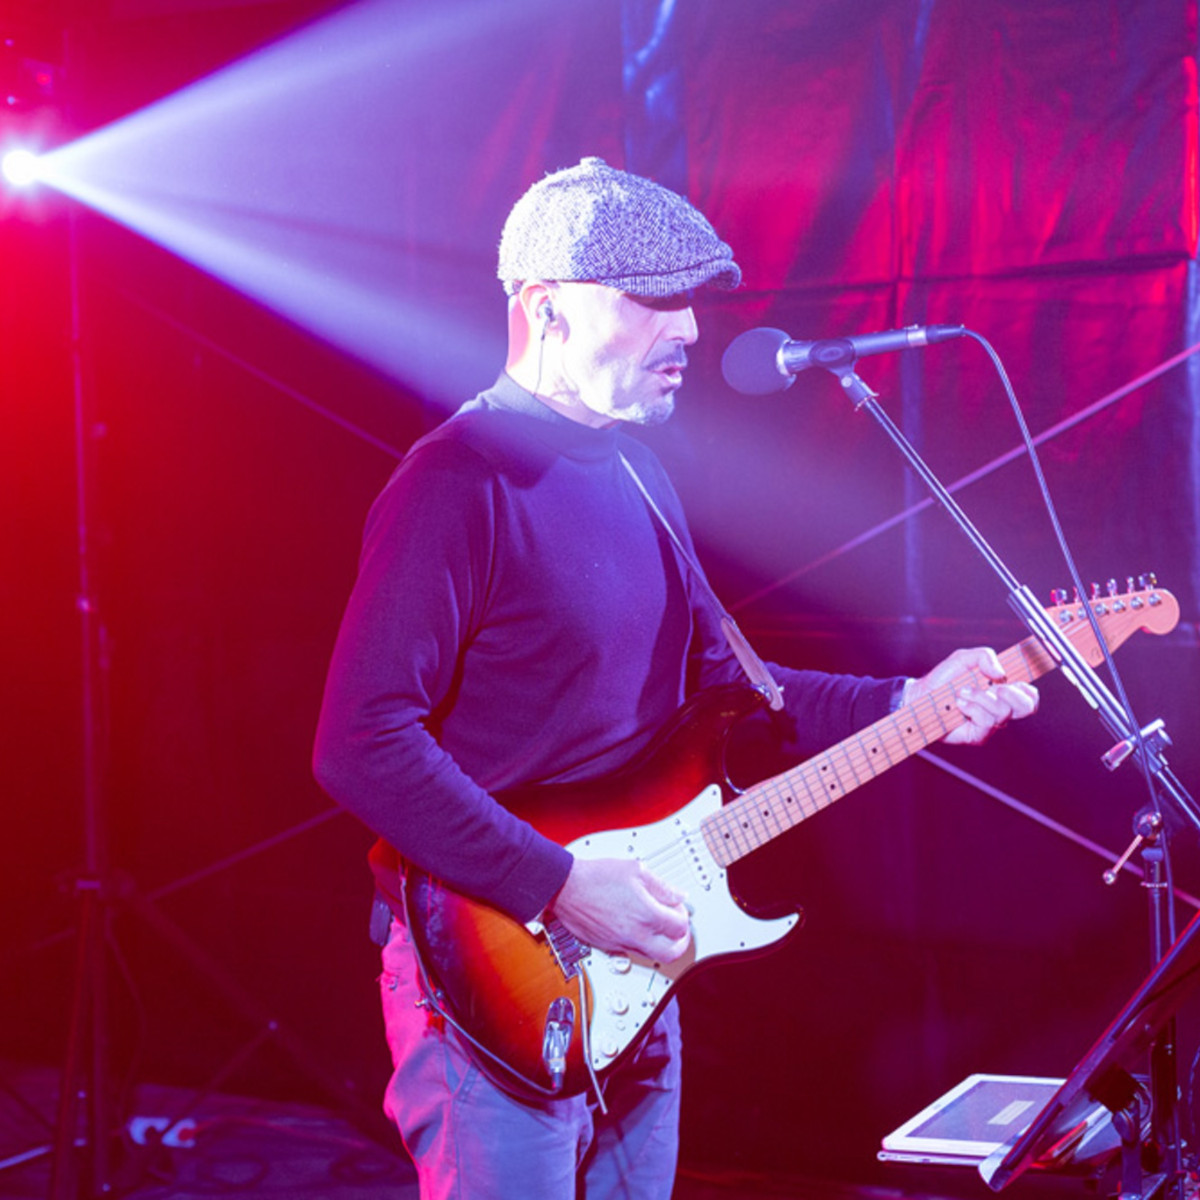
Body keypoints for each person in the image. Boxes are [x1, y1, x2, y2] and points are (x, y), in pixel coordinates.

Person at [312, 157, 1039, 1200]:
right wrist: (560, 885)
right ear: (546, 308)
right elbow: (360, 743)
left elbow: (738, 691)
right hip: (492, 979)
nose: (691, 330)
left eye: (691, 302)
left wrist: (908, 703)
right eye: (652, 300)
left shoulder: (636, 474)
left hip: (635, 970)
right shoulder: (456, 481)